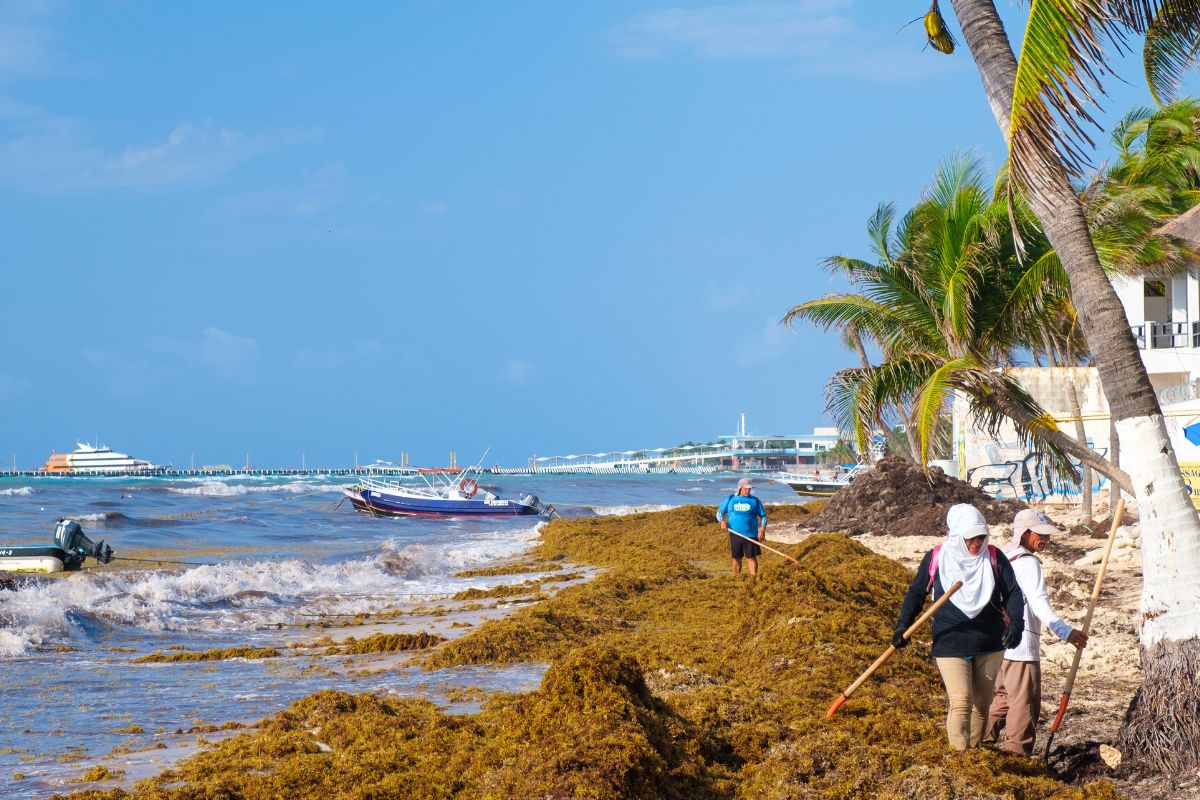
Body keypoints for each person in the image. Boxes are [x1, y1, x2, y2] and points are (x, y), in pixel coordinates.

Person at [893, 503, 1025, 750]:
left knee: (981, 703)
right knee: (962, 700)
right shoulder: (937, 558)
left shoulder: (994, 558)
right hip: (950, 641)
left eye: (981, 537)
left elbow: (1014, 594)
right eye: (970, 538)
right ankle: (959, 757)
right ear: (956, 536)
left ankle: (974, 752)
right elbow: (916, 593)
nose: (976, 543)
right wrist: (903, 626)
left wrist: (1017, 624)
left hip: (990, 643)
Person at [984, 508, 1088, 756]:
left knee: (1003, 697)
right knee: (1023, 704)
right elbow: (1039, 603)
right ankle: (1017, 756)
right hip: (1021, 644)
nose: (1046, 539)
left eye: (1048, 535)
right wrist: (1065, 631)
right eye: (1040, 534)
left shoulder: (1001, 556)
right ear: (1025, 533)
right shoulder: (1028, 564)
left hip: (997, 642)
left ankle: (980, 741)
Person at [716, 478, 768, 576]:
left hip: (751, 534)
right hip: (735, 534)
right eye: (746, 488)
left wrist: (762, 529)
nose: (748, 490)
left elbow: (763, 516)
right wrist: (722, 522)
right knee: (736, 558)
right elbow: (719, 513)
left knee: (751, 557)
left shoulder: (755, 501)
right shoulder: (731, 498)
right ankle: (736, 578)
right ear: (740, 488)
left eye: (750, 489)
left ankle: (754, 579)